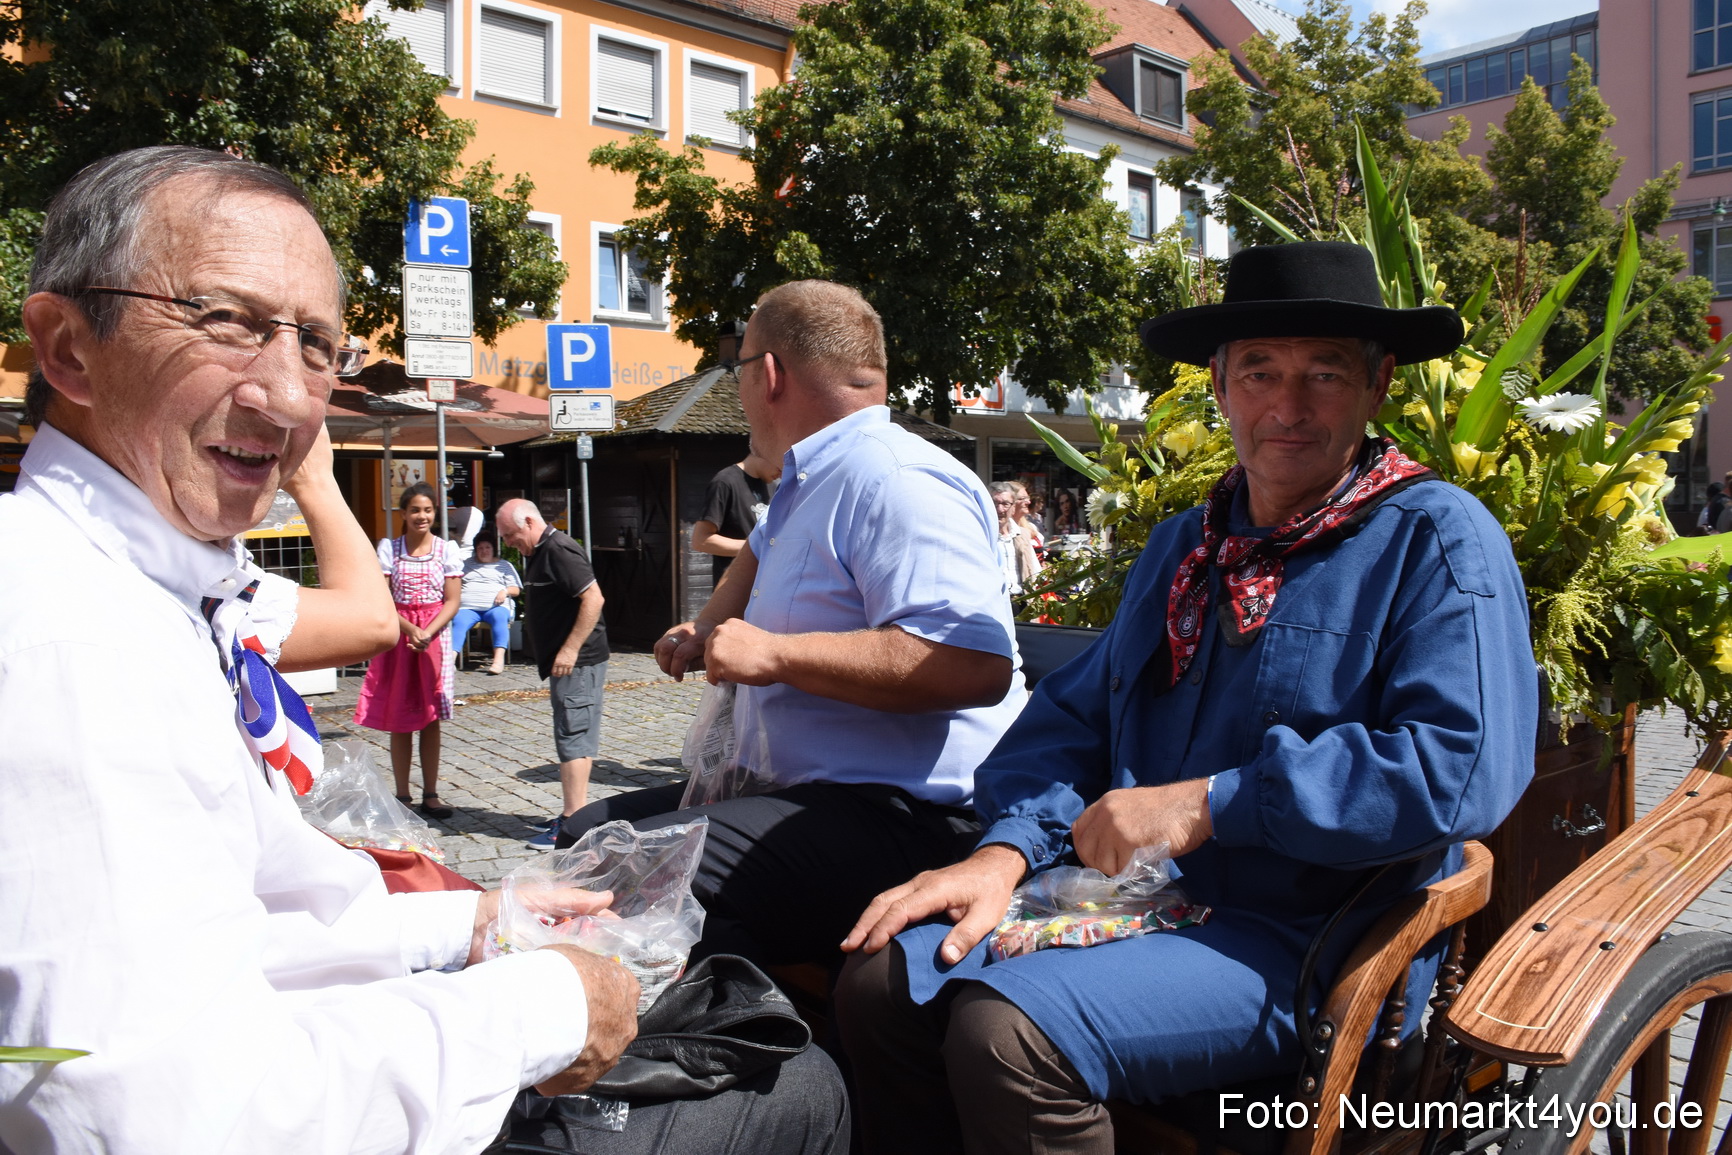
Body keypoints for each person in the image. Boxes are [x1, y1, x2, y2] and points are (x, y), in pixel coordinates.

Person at [0, 145, 848, 1155]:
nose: (290, 397)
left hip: (338, 1037)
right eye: (226, 321)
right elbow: (150, 1119)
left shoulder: (161, 585)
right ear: (69, 349)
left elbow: (252, 921)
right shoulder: (65, 636)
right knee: (798, 1089)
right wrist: (543, 1006)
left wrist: (476, 922)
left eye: (318, 344)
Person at [833, 241, 1540, 1153]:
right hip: (1137, 902)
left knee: (1006, 1036)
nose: (1288, 405)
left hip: (1306, 940)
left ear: (1379, 385)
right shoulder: (1188, 545)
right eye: (1260, 371)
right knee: (880, 982)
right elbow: (1077, 719)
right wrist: (1006, 851)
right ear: (1220, 385)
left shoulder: (1436, 539)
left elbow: (1460, 768)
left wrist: (1212, 803)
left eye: (1325, 373)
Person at [559, 279, 1026, 971]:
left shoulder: (896, 477)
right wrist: (705, 627)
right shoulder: (810, 481)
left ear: (769, 374)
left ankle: (745, 1029)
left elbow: (971, 665)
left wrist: (774, 654)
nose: (741, 391)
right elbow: (759, 556)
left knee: (621, 879)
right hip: (811, 797)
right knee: (587, 836)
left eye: (739, 370)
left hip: (912, 818)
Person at [495, 498, 609, 849]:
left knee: (573, 737)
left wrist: (570, 648)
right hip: (568, 663)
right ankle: (574, 814)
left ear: (529, 522)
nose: (508, 542)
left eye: (510, 535)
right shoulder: (539, 551)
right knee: (572, 735)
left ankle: (573, 824)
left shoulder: (558, 549)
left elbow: (594, 598)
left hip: (579, 661)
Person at [354, 481, 464, 818]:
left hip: (434, 637)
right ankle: (402, 794)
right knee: (399, 717)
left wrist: (427, 631)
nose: (422, 516)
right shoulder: (390, 549)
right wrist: (410, 629)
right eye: (415, 510)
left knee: (430, 717)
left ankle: (431, 792)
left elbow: (453, 600)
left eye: (427, 510)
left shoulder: (446, 550)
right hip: (400, 636)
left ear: (435, 513)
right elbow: (381, 596)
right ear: (403, 513)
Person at [693, 450, 779, 585]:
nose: (782, 473)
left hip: (765, 586)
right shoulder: (725, 481)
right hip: (733, 588)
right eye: (780, 466)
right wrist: (756, 546)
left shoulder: (773, 486)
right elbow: (700, 540)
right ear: (765, 451)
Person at [453, 533, 522, 674]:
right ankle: (449, 660)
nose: (484, 551)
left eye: (487, 547)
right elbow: (453, 582)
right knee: (458, 620)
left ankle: (498, 660)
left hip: (495, 607)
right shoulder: (466, 565)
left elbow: (516, 589)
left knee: (499, 617)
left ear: (493, 549)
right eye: (480, 548)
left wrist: (504, 591)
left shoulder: (504, 565)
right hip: (469, 607)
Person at [988, 481, 1039, 597]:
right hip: (996, 601)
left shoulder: (1022, 534)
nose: (1000, 509)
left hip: (1022, 600)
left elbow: (1035, 570)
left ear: (1013, 506)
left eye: (1005, 504)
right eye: (995, 503)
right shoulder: (983, 536)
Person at [1011, 480, 1045, 558]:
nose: (1028, 502)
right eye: (1022, 498)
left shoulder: (1031, 527)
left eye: (1027, 498)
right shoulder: (1005, 532)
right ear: (1010, 502)